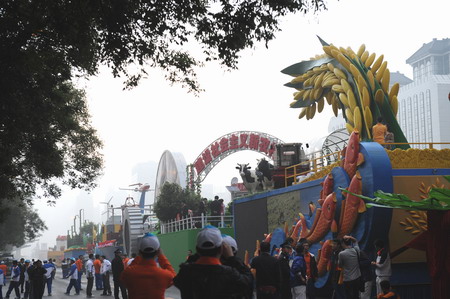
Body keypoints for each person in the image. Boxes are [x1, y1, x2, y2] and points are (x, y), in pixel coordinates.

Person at [174, 226, 253, 298]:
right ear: (221, 249)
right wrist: (231, 258)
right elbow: (248, 281)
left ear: (197, 249)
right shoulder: (229, 274)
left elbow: (177, 281)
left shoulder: (186, 272)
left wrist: (197, 255)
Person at [121, 233, 175, 299]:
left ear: (140, 252)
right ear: (158, 252)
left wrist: (138, 256)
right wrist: (161, 256)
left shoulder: (129, 273)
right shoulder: (164, 275)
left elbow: (123, 278)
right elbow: (174, 277)